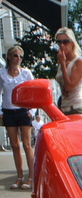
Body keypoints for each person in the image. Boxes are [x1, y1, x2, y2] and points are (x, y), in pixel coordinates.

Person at [0, 45, 35, 190]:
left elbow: (33, 91)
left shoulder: (26, 73)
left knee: (27, 144)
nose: (18, 58)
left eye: (20, 56)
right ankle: (19, 176)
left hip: (23, 111)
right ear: (9, 57)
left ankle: (31, 177)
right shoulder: (2, 73)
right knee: (14, 145)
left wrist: (32, 111)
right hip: (8, 111)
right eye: (15, 55)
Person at [55, 27, 82, 115]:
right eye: (59, 42)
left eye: (65, 42)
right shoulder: (62, 61)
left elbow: (69, 87)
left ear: (72, 43)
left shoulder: (78, 62)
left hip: (77, 108)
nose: (62, 45)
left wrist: (62, 63)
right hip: (63, 108)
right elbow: (64, 85)